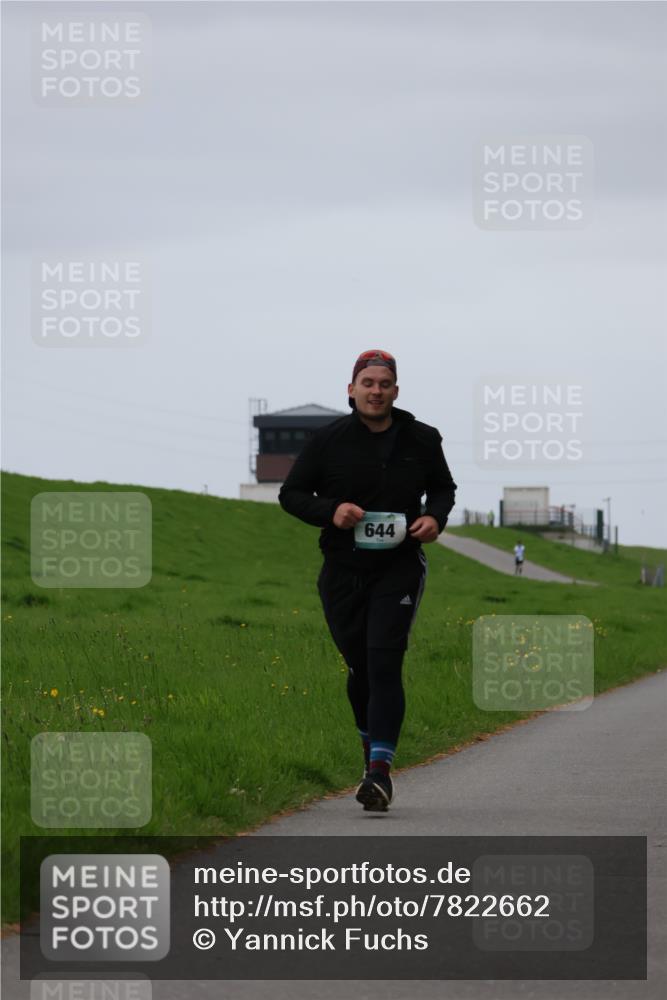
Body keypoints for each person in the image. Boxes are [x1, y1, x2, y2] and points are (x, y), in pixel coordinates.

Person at [278, 349, 457, 812]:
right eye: (368, 383)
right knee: (359, 667)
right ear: (351, 389)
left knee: (383, 662)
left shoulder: (421, 438)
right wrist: (331, 510)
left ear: (396, 391)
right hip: (342, 569)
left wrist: (435, 517)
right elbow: (291, 494)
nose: (376, 391)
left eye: (384, 384)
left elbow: (443, 488)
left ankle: (379, 773)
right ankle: (369, 747)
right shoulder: (328, 441)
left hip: (398, 567)